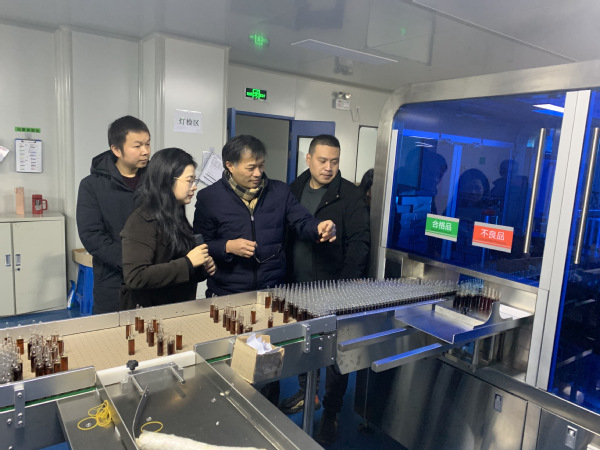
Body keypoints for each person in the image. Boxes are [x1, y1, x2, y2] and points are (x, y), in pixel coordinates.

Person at [192, 135, 336, 404]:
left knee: (269, 365)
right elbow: (200, 244)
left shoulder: (280, 192)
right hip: (229, 294)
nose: (258, 173)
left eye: (261, 166)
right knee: (230, 365)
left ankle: (270, 412)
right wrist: (227, 247)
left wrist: (318, 228)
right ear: (230, 166)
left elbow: (301, 221)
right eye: (251, 167)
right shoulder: (209, 198)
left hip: (270, 295)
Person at [280, 135, 370, 445]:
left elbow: (359, 243)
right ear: (308, 159)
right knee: (302, 345)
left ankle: (331, 410)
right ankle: (308, 393)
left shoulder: (350, 195)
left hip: (334, 288)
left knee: (336, 355)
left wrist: (343, 287)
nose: (328, 167)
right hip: (297, 286)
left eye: (334, 161)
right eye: (322, 161)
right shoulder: (293, 189)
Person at [120, 148, 216, 309]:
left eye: (195, 181)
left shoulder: (176, 216)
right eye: (189, 181)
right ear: (167, 180)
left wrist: (202, 268)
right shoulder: (141, 220)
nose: (194, 187)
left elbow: (180, 270)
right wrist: (188, 263)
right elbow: (136, 277)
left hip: (178, 308)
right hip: (149, 314)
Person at [76, 116, 151, 314]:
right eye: (137, 146)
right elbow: (91, 235)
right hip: (112, 281)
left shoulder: (155, 181)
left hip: (153, 277)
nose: (145, 151)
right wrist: (131, 261)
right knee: (113, 330)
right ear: (116, 150)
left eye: (147, 144)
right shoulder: (92, 185)